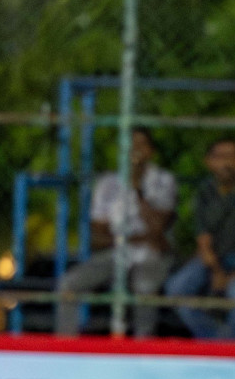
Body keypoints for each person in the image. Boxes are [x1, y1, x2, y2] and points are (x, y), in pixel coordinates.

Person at [55, 128, 177, 337]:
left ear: (151, 151)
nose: (134, 151)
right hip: (116, 254)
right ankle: (66, 347)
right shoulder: (107, 183)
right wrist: (137, 238)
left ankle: (143, 348)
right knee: (68, 284)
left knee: (145, 287)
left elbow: (158, 228)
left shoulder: (163, 180)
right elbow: (98, 236)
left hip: (152, 256)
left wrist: (137, 188)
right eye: (129, 146)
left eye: (140, 145)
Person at [164, 136, 235, 340]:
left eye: (232, 157)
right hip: (216, 261)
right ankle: (216, 339)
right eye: (219, 157)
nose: (226, 163)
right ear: (208, 161)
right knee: (176, 288)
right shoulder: (205, 193)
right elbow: (203, 240)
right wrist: (216, 272)